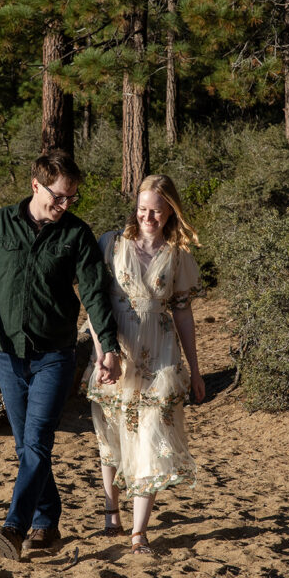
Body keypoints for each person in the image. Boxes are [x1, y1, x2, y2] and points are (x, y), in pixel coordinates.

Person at [0, 149, 122, 561]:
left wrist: (109, 348)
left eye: (71, 198)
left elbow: (96, 297)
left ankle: (15, 526)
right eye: (59, 196)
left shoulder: (76, 235)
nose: (65, 205)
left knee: (37, 443)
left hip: (55, 356)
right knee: (25, 448)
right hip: (9, 354)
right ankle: (47, 521)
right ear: (36, 185)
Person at [85, 173, 205, 554]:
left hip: (161, 354)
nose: (147, 217)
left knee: (151, 438)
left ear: (170, 211)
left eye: (155, 210)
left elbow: (183, 314)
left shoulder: (178, 255)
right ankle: (111, 512)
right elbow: (94, 302)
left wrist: (196, 369)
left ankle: (138, 532)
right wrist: (104, 350)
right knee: (112, 436)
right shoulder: (112, 244)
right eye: (142, 209)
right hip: (115, 348)